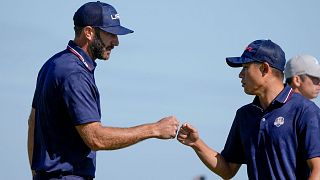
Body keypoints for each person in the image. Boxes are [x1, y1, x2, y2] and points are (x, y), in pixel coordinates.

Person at [27, 2, 179, 180]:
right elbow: (95, 138)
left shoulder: (54, 64)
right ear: (89, 32)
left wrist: (35, 174)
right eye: (110, 34)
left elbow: (32, 122)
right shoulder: (75, 74)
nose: (116, 42)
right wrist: (154, 129)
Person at [177, 39, 320, 179]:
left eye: (245, 67)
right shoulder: (244, 115)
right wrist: (196, 143)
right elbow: (227, 170)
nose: (240, 74)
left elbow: (318, 171)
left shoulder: (305, 111)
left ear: (264, 68)